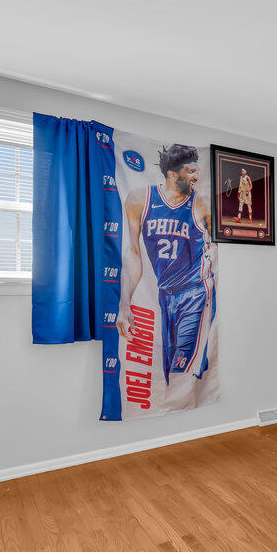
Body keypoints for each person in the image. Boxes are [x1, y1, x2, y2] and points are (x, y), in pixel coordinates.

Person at [116, 144, 215, 382]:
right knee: (169, 374)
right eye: (191, 170)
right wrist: (125, 303)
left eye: (197, 170)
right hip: (164, 296)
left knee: (184, 374)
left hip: (195, 294)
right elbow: (132, 254)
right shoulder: (140, 198)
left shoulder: (202, 205)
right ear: (172, 174)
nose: (196, 175)